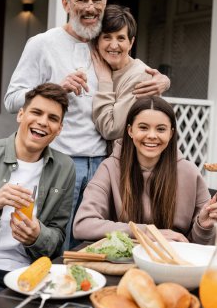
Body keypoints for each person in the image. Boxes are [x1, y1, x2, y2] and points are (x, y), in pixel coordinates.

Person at [4, 0, 170, 250]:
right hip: (60, 160)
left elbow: (135, 71)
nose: (90, 7)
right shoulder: (42, 44)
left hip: (104, 163)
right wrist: (56, 88)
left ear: (104, 4)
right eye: (82, 0)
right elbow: (12, 100)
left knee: (93, 245)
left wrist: (163, 81)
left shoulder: (104, 43)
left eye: (97, 0)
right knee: (53, 242)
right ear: (66, 4)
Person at [0, 83, 75, 306]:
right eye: (36, 112)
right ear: (21, 115)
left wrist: (37, 236)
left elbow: (58, 239)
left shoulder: (65, 168)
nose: (43, 122)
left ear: (59, 129)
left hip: (33, 274)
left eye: (53, 118)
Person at [73, 96, 216, 245]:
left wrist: (203, 227)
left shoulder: (189, 172)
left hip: (174, 262)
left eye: (161, 129)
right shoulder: (109, 168)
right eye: (143, 127)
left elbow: (201, 245)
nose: (152, 136)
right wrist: (146, 232)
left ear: (171, 133)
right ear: (130, 131)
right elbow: (83, 225)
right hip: (124, 261)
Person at [92, 4, 169, 140]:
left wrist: (105, 81)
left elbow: (111, 130)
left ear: (131, 42)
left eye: (121, 38)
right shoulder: (95, 65)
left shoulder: (140, 76)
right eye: (107, 37)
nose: (114, 45)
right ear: (97, 41)